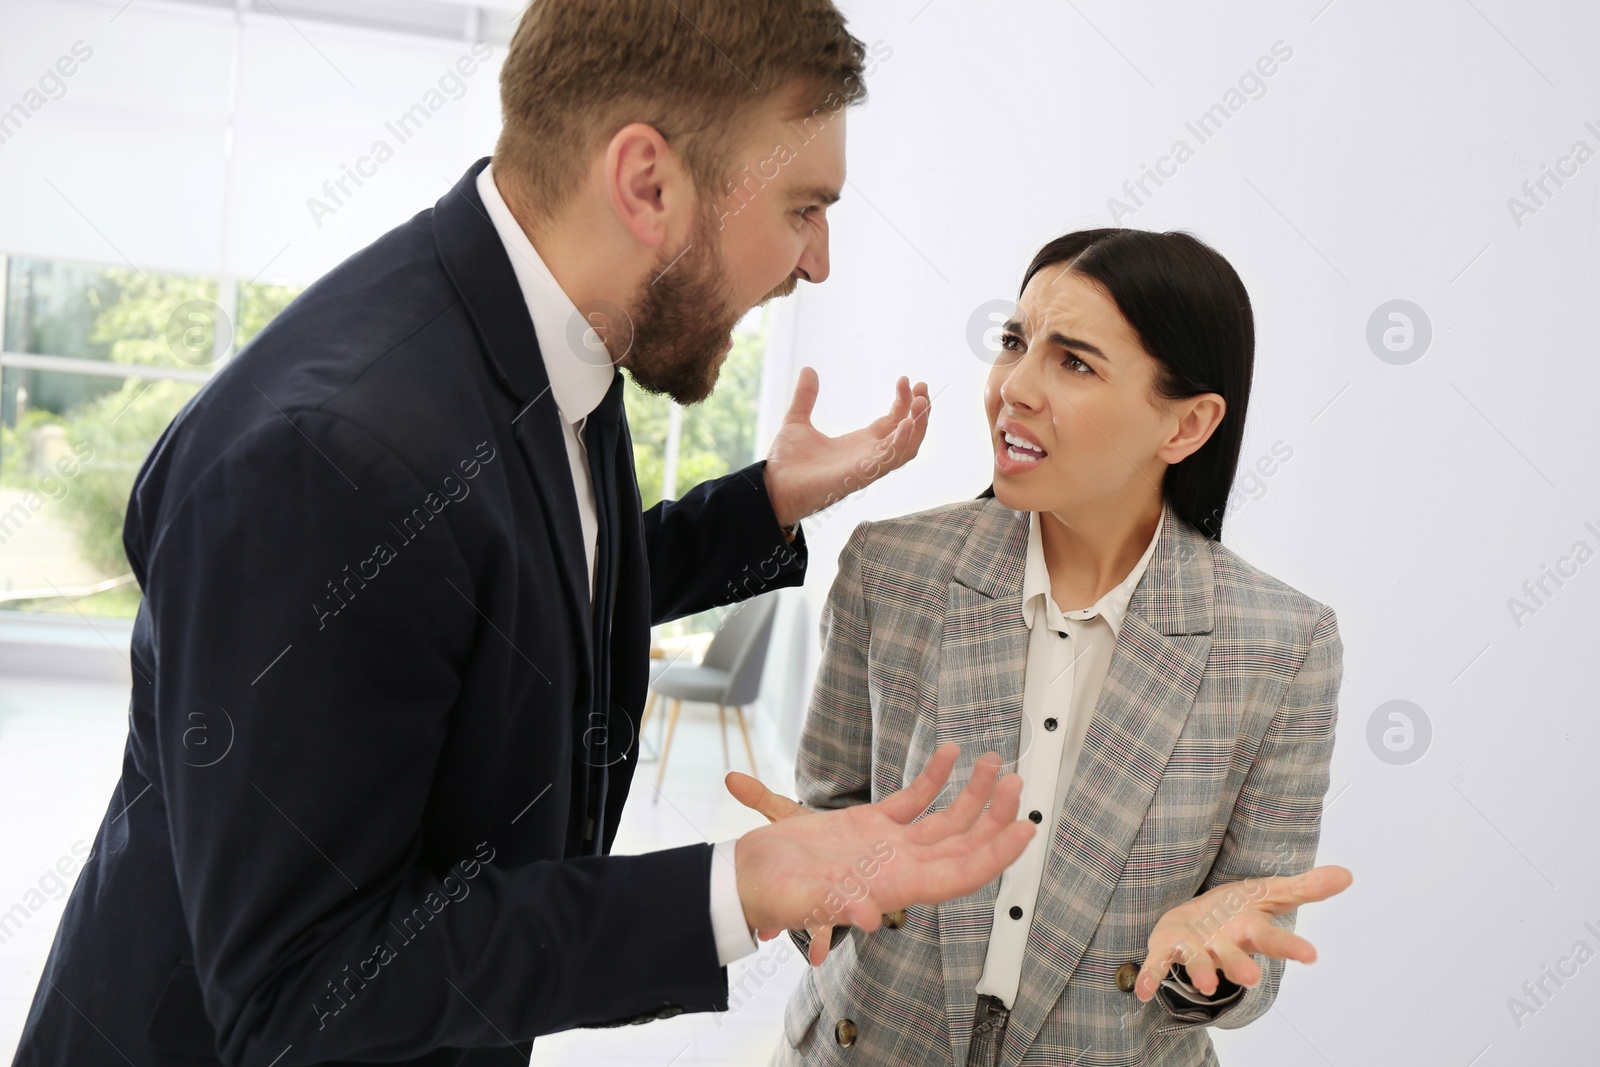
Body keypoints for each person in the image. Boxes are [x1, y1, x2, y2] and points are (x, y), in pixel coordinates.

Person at [10, 3, 1037, 1065]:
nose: (816, 261)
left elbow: (511, 577)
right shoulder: (331, 458)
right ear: (646, 184)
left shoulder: (551, 327)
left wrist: (760, 501)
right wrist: (743, 883)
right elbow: (303, 989)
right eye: (802, 207)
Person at [731, 228, 1354, 1066]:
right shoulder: (892, 568)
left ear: (1187, 424)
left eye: (1075, 362)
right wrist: (821, 880)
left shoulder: (1284, 645)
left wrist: (1202, 970)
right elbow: (836, 808)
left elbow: (1254, 924)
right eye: (1015, 343)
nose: (1013, 387)